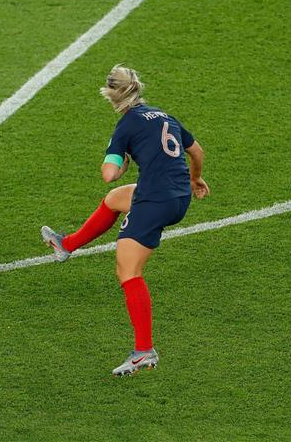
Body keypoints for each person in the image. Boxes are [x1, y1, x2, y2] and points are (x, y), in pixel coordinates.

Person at [41, 65, 209, 376]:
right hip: (179, 196)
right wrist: (197, 180)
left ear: (111, 96)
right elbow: (196, 151)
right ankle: (67, 245)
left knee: (128, 271)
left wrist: (124, 161)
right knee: (117, 198)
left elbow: (108, 174)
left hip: (154, 201)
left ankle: (144, 350)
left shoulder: (126, 126)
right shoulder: (163, 116)